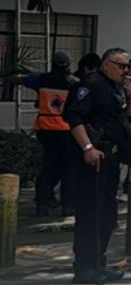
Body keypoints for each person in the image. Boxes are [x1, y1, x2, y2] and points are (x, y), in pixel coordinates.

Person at [62, 48, 131, 284]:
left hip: (112, 156)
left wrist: (130, 94)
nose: (125, 71)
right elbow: (74, 118)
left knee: (107, 214)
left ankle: (98, 262)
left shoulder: (117, 87)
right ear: (106, 64)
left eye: (128, 67)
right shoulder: (90, 85)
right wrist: (87, 148)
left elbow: (128, 115)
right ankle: (84, 265)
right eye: (121, 66)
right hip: (94, 156)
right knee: (90, 213)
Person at [16, 51, 80, 217]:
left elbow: (22, 80)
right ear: (67, 65)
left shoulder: (42, 79)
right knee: (68, 169)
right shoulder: (74, 83)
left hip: (45, 129)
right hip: (67, 130)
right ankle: (68, 206)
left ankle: (42, 204)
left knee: (47, 167)